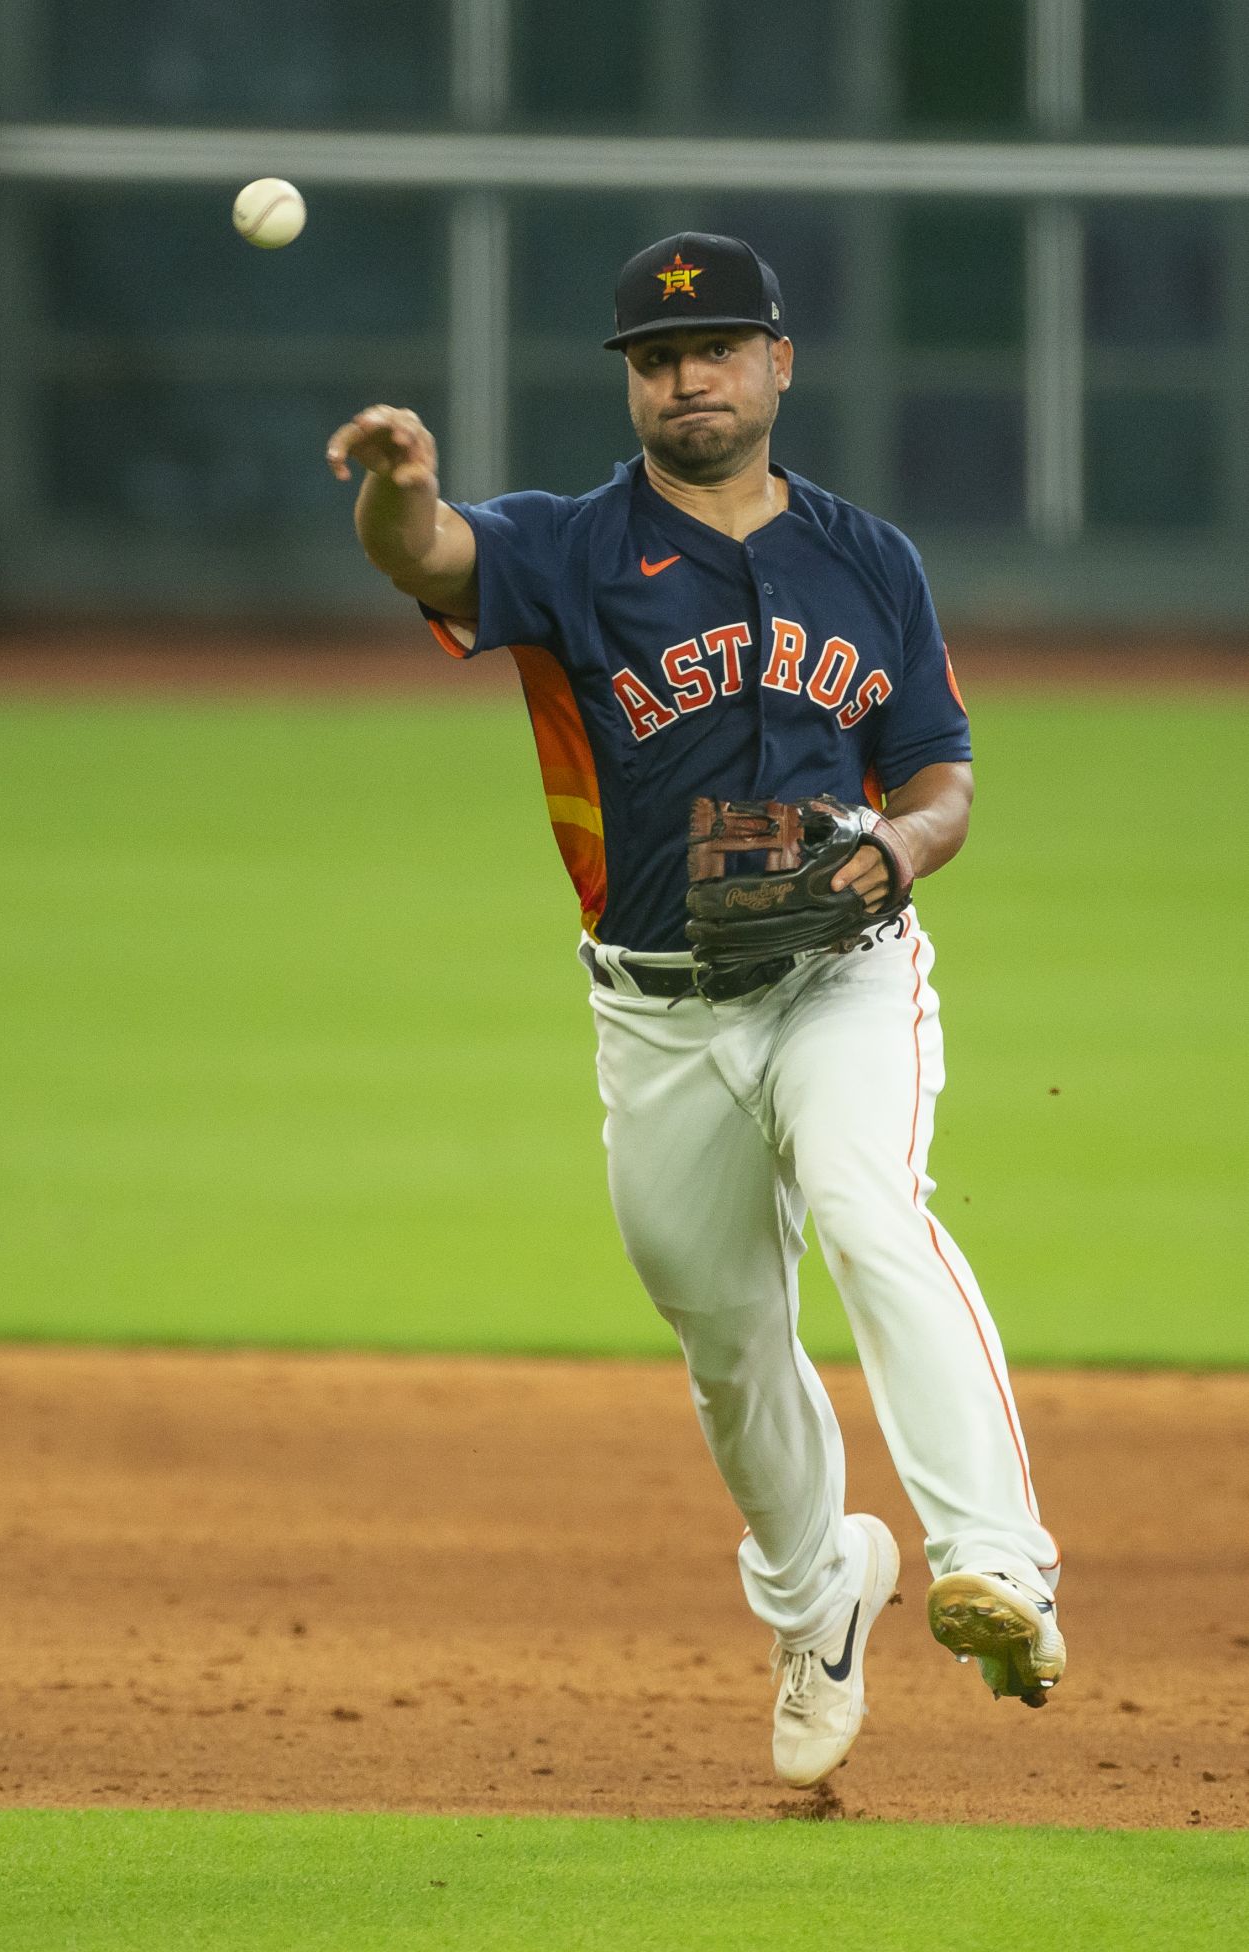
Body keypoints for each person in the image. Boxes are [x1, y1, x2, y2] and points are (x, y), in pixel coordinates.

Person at [325, 232, 1064, 1789]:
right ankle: (817, 1600)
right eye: (660, 358)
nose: (691, 377)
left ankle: (997, 1561)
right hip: (658, 1013)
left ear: (779, 363)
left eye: (719, 348)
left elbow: (938, 773)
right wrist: (396, 480)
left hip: (843, 977)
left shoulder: (870, 559)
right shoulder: (574, 547)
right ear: (632, 384)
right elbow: (429, 556)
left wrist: (898, 847)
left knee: (873, 1211)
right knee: (723, 1338)